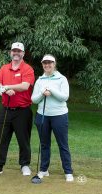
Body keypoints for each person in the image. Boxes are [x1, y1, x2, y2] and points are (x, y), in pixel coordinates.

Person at [0, 42, 35, 176]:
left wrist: (6, 87)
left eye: (19, 51)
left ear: (23, 53)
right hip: (5, 109)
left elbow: (25, 86)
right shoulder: (4, 68)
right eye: (14, 51)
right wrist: (4, 89)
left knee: (23, 139)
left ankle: (24, 165)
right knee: (1, 138)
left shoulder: (27, 69)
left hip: (22, 111)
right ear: (10, 53)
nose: (16, 53)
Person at [31, 54, 74, 182]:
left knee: (63, 144)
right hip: (42, 115)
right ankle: (44, 169)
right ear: (42, 65)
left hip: (59, 116)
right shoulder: (39, 80)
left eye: (50, 63)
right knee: (44, 144)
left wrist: (51, 90)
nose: (47, 65)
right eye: (45, 63)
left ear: (54, 64)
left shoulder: (62, 79)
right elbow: (34, 99)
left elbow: (64, 97)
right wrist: (42, 93)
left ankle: (68, 171)